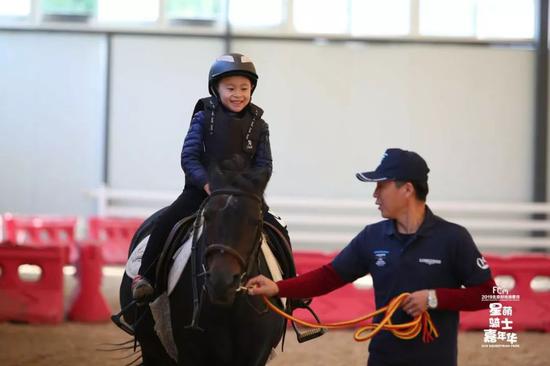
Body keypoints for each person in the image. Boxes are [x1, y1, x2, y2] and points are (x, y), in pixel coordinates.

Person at [246, 148, 496, 366]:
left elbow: (489, 295)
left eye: (382, 185)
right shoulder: (372, 237)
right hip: (383, 358)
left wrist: (434, 298)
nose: (375, 195)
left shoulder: (453, 238)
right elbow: (329, 277)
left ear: (407, 189)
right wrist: (278, 288)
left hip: (435, 360)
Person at [132, 53, 287, 303]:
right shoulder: (203, 117)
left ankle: (290, 292)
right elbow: (189, 157)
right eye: (230, 88)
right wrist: (207, 183)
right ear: (216, 88)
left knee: (278, 229)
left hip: (244, 197)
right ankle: (146, 278)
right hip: (202, 191)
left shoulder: (260, 125)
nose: (238, 94)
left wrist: (251, 189)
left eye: (244, 88)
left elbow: (265, 165)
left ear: (252, 89)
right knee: (166, 221)